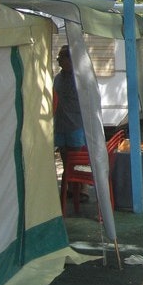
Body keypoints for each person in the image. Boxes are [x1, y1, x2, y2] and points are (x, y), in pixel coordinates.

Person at [53, 45, 87, 200]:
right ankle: (70, 187)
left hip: (75, 124)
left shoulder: (80, 78)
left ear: (70, 60)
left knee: (77, 158)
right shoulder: (58, 78)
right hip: (60, 124)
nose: (59, 62)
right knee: (65, 157)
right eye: (58, 59)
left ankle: (81, 188)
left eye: (61, 59)